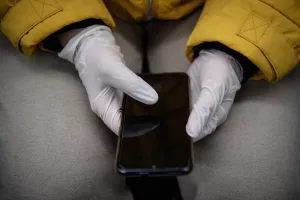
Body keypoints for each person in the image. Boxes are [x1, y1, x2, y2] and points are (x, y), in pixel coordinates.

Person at [0, 0, 299, 199]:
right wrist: (76, 35)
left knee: (259, 180)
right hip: (78, 10)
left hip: (225, 10)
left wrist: (236, 52)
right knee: (49, 176)